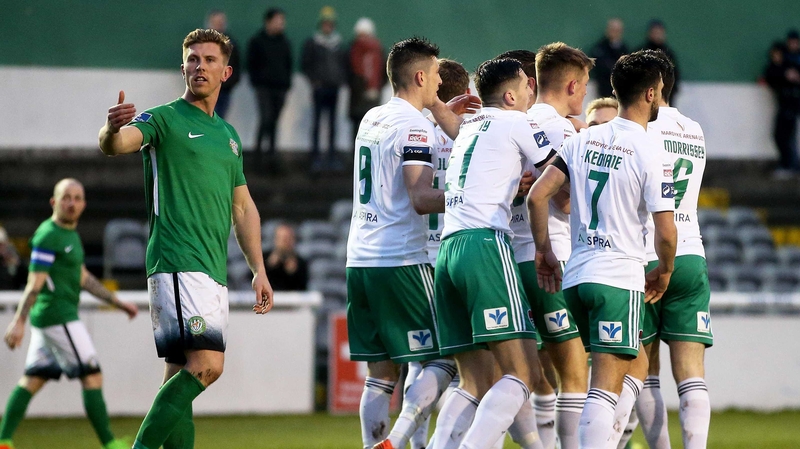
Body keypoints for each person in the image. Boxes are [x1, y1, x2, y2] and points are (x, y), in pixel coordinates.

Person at [97, 28, 273, 449]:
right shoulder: (163, 118)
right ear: (183, 68)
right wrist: (109, 129)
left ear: (226, 71)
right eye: (193, 59)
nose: (200, 66)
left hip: (211, 269)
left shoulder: (229, 137)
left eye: (210, 60)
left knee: (180, 374)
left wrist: (259, 269)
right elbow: (117, 144)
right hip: (177, 260)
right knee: (208, 365)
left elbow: (243, 209)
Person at [528, 50, 677, 448]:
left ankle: (607, 439)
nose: (661, 97)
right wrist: (664, 270)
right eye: (660, 90)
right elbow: (666, 231)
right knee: (604, 386)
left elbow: (537, 197)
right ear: (649, 93)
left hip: (577, 277)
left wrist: (544, 250)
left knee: (638, 364)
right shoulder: (650, 150)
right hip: (617, 276)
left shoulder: (583, 139)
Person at [431, 57, 559, 449]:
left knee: (473, 380)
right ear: (509, 95)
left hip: (448, 250)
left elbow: (455, 128)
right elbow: (559, 171)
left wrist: (436, 105)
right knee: (524, 372)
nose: (530, 91)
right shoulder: (517, 121)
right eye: (525, 85)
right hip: (485, 244)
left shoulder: (470, 124)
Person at [346, 37, 464, 449]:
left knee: (380, 376)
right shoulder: (415, 126)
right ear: (419, 76)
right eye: (434, 73)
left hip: (360, 259)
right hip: (399, 260)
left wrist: (441, 112)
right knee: (445, 356)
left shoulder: (373, 117)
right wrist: (470, 195)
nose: (438, 80)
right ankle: (396, 440)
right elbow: (420, 198)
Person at [0, 178, 138, 449]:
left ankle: (3, 440)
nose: (72, 203)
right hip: (58, 317)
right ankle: (110, 444)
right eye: (66, 197)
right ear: (54, 202)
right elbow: (34, 283)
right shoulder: (48, 235)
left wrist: (118, 303)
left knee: (34, 378)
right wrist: (18, 321)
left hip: (50, 318)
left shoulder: (70, 235)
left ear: (84, 204)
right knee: (92, 375)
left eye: (77, 198)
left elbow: (83, 277)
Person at [517, 42, 595, 449]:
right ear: (570, 84)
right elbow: (562, 198)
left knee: (534, 370)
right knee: (575, 373)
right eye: (583, 87)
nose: (584, 95)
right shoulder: (562, 129)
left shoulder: (520, 120)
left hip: (511, 253)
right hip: (552, 254)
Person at [633, 50, 712, 449]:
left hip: (647, 255)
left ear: (651, 87)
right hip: (691, 252)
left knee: (642, 373)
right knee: (691, 374)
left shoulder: (638, 129)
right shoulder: (694, 129)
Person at [302, 6, 348, 172]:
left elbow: (344, 65)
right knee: (317, 122)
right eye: (325, 24)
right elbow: (305, 64)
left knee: (332, 124)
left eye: (330, 24)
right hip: (319, 88)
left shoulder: (338, 44)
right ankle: (315, 156)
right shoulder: (313, 43)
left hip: (333, 89)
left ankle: (331, 156)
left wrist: (340, 80)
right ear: (321, 24)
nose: (328, 27)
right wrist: (314, 80)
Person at [248, 8, 293, 168]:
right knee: (265, 118)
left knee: (274, 121)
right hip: (263, 87)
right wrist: (256, 82)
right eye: (278, 21)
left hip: (280, 88)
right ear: (268, 22)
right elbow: (251, 63)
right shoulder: (257, 41)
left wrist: (287, 84)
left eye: (282, 21)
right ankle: (258, 157)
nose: (281, 24)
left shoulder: (284, 42)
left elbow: (288, 64)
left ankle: (272, 157)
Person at [764, 32, 800, 178]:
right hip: (784, 106)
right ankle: (789, 164)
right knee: (781, 136)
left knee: (786, 137)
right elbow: (771, 76)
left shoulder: (790, 65)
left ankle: (791, 165)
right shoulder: (778, 69)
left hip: (791, 105)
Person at [348, 18, 386, 144]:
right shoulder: (352, 50)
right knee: (356, 131)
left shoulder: (378, 50)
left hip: (372, 98)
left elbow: (385, 72)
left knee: (373, 131)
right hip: (357, 98)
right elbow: (348, 71)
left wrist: (376, 88)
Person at [206, 10, 240, 119]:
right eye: (216, 22)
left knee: (220, 119)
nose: (219, 24)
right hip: (206, 89)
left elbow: (236, 65)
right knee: (205, 119)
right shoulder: (201, 43)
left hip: (224, 88)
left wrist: (229, 82)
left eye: (221, 22)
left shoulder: (231, 43)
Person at [641, 20, 680, 102]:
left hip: (665, 97)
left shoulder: (669, 54)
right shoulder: (641, 52)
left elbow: (674, 74)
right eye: (655, 32)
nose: (657, 35)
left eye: (659, 32)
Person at [590, 18, 629, 99]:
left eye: (618, 30)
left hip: (621, 91)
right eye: (613, 30)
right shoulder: (599, 49)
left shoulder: (624, 49)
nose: (615, 33)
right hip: (604, 90)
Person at [264, 224, 308, 291]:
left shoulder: (301, 263)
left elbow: (303, 288)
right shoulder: (263, 259)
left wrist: (293, 273)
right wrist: (269, 266)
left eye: (289, 238)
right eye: (282, 238)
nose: (285, 242)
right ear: (275, 239)